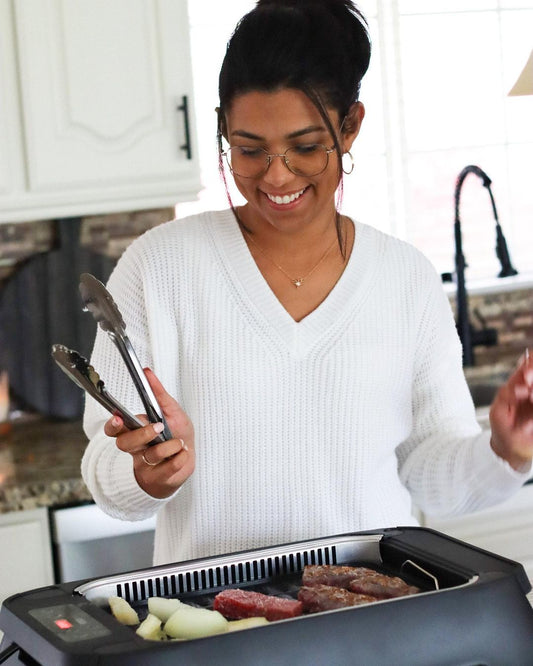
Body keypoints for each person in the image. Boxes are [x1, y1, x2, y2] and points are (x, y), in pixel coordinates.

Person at [82, 0, 533, 567]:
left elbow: (430, 477)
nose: (275, 175)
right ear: (223, 129)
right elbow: (105, 462)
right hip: (215, 633)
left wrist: (505, 453)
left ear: (350, 126)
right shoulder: (159, 267)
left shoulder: (406, 279)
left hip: (375, 623)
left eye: (304, 147)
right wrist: (147, 473)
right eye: (249, 149)